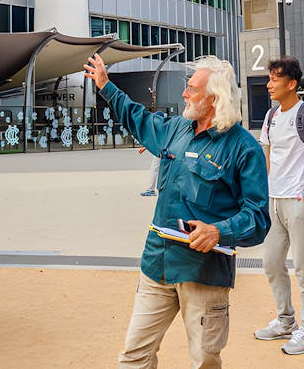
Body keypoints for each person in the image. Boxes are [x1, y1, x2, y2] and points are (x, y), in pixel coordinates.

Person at [84, 53, 269, 369]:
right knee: (134, 357)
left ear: (214, 98)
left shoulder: (243, 148)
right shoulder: (176, 129)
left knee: (204, 361)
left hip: (203, 273)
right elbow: (138, 118)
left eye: (193, 89)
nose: (185, 93)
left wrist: (219, 231)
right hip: (157, 264)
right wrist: (105, 85)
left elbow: (258, 217)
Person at [255, 56, 304, 355]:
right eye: (269, 78)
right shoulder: (271, 116)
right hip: (274, 201)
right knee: (271, 263)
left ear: (292, 83)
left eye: (275, 79)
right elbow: (270, 156)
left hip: (299, 202)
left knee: (303, 268)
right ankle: (286, 320)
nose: (269, 84)